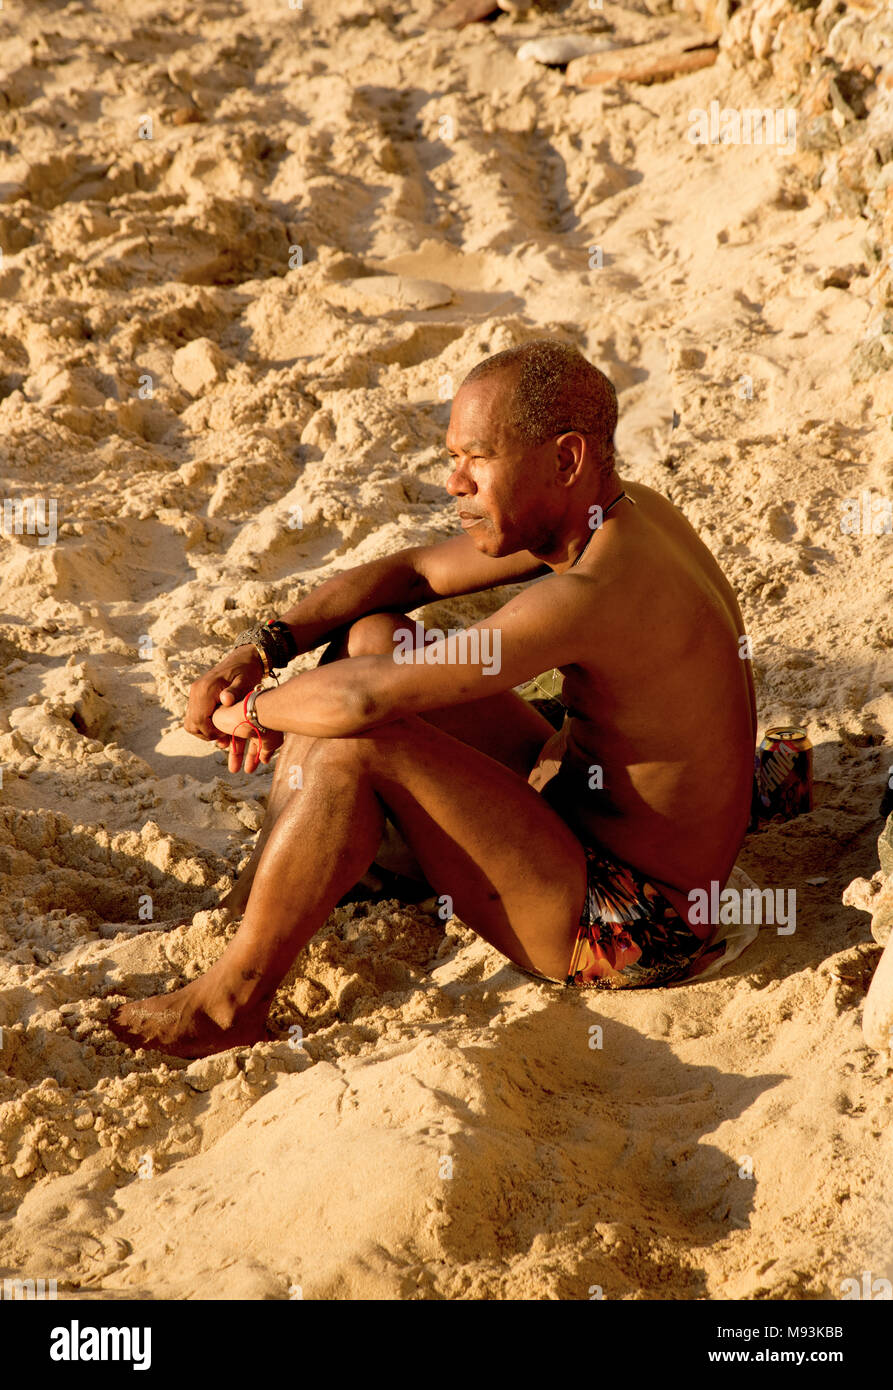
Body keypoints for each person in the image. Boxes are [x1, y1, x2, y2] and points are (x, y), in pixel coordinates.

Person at [110, 339, 757, 1058]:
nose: (454, 481)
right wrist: (264, 649)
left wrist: (250, 712)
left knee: (357, 740)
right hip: (576, 804)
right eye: (453, 458)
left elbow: (360, 707)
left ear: (565, 460)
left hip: (631, 921)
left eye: (477, 458)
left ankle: (230, 1002)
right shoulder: (620, 516)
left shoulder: (592, 593)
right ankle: (291, 882)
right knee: (377, 637)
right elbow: (412, 574)